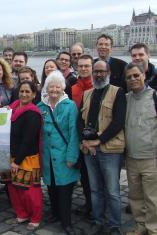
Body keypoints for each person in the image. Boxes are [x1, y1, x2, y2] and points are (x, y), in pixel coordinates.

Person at [79, 60, 126, 235]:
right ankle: (98, 220)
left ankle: (114, 225)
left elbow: (118, 122)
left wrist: (99, 140)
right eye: (96, 71)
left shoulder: (118, 92)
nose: (99, 74)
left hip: (110, 149)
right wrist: (84, 141)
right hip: (88, 150)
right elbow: (79, 120)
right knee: (95, 189)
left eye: (102, 71)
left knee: (112, 190)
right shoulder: (87, 94)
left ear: (108, 73)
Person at [38, 71, 80, 235]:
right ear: (46, 89)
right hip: (47, 157)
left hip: (63, 156)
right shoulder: (41, 107)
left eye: (57, 86)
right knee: (52, 188)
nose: (54, 90)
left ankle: (66, 222)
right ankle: (55, 214)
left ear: (62, 88)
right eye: (51, 87)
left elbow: (73, 133)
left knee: (64, 191)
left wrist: (72, 157)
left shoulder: (70, 106)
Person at [124, 62, 157, 235]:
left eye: (136, 75)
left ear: (143, 74)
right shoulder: (126, 99)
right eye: (129, 77)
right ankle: (141, 226)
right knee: (135, 196)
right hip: (131, 157)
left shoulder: (154, 96)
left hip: (151, 157)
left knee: (153, 198)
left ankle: (153, 229)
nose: (133, 79)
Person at [8, 81, 43, 231]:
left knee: (30, 191)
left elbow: (28, 140)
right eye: (22, 91)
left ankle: (35, 217)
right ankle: (21, 213)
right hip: (12, 156)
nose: (24, 94)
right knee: (15, 188)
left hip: (26, 157)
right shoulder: (12, 109)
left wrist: (17, 161)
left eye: (28, 92)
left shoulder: (33, 113)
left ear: (34, 94)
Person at [72, 54, 94, 219]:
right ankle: (88, 203)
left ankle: (98, 205)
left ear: (92, 67)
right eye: (81, 66)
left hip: (95, 138)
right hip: (77, 137)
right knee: (85, 175)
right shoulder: (72, 88)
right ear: (77, 68)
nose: (84, 68)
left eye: (87, 66)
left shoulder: (98, 86)